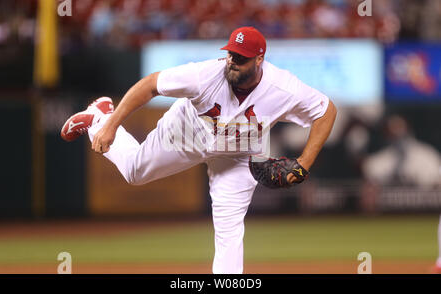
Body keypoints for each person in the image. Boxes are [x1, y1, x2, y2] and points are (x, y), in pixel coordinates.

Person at [61, 27, 337, 274]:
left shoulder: (283, 87)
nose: (233, 62)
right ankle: (99, 116)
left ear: (259, 59)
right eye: (231, 54)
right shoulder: (204, 74)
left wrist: (304, 163)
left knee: (229, 228)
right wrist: (112, 126)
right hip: (186, 134)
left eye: (241, 58)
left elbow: (326, 110)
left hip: (238, 152)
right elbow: (149, 86)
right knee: (134, 171)